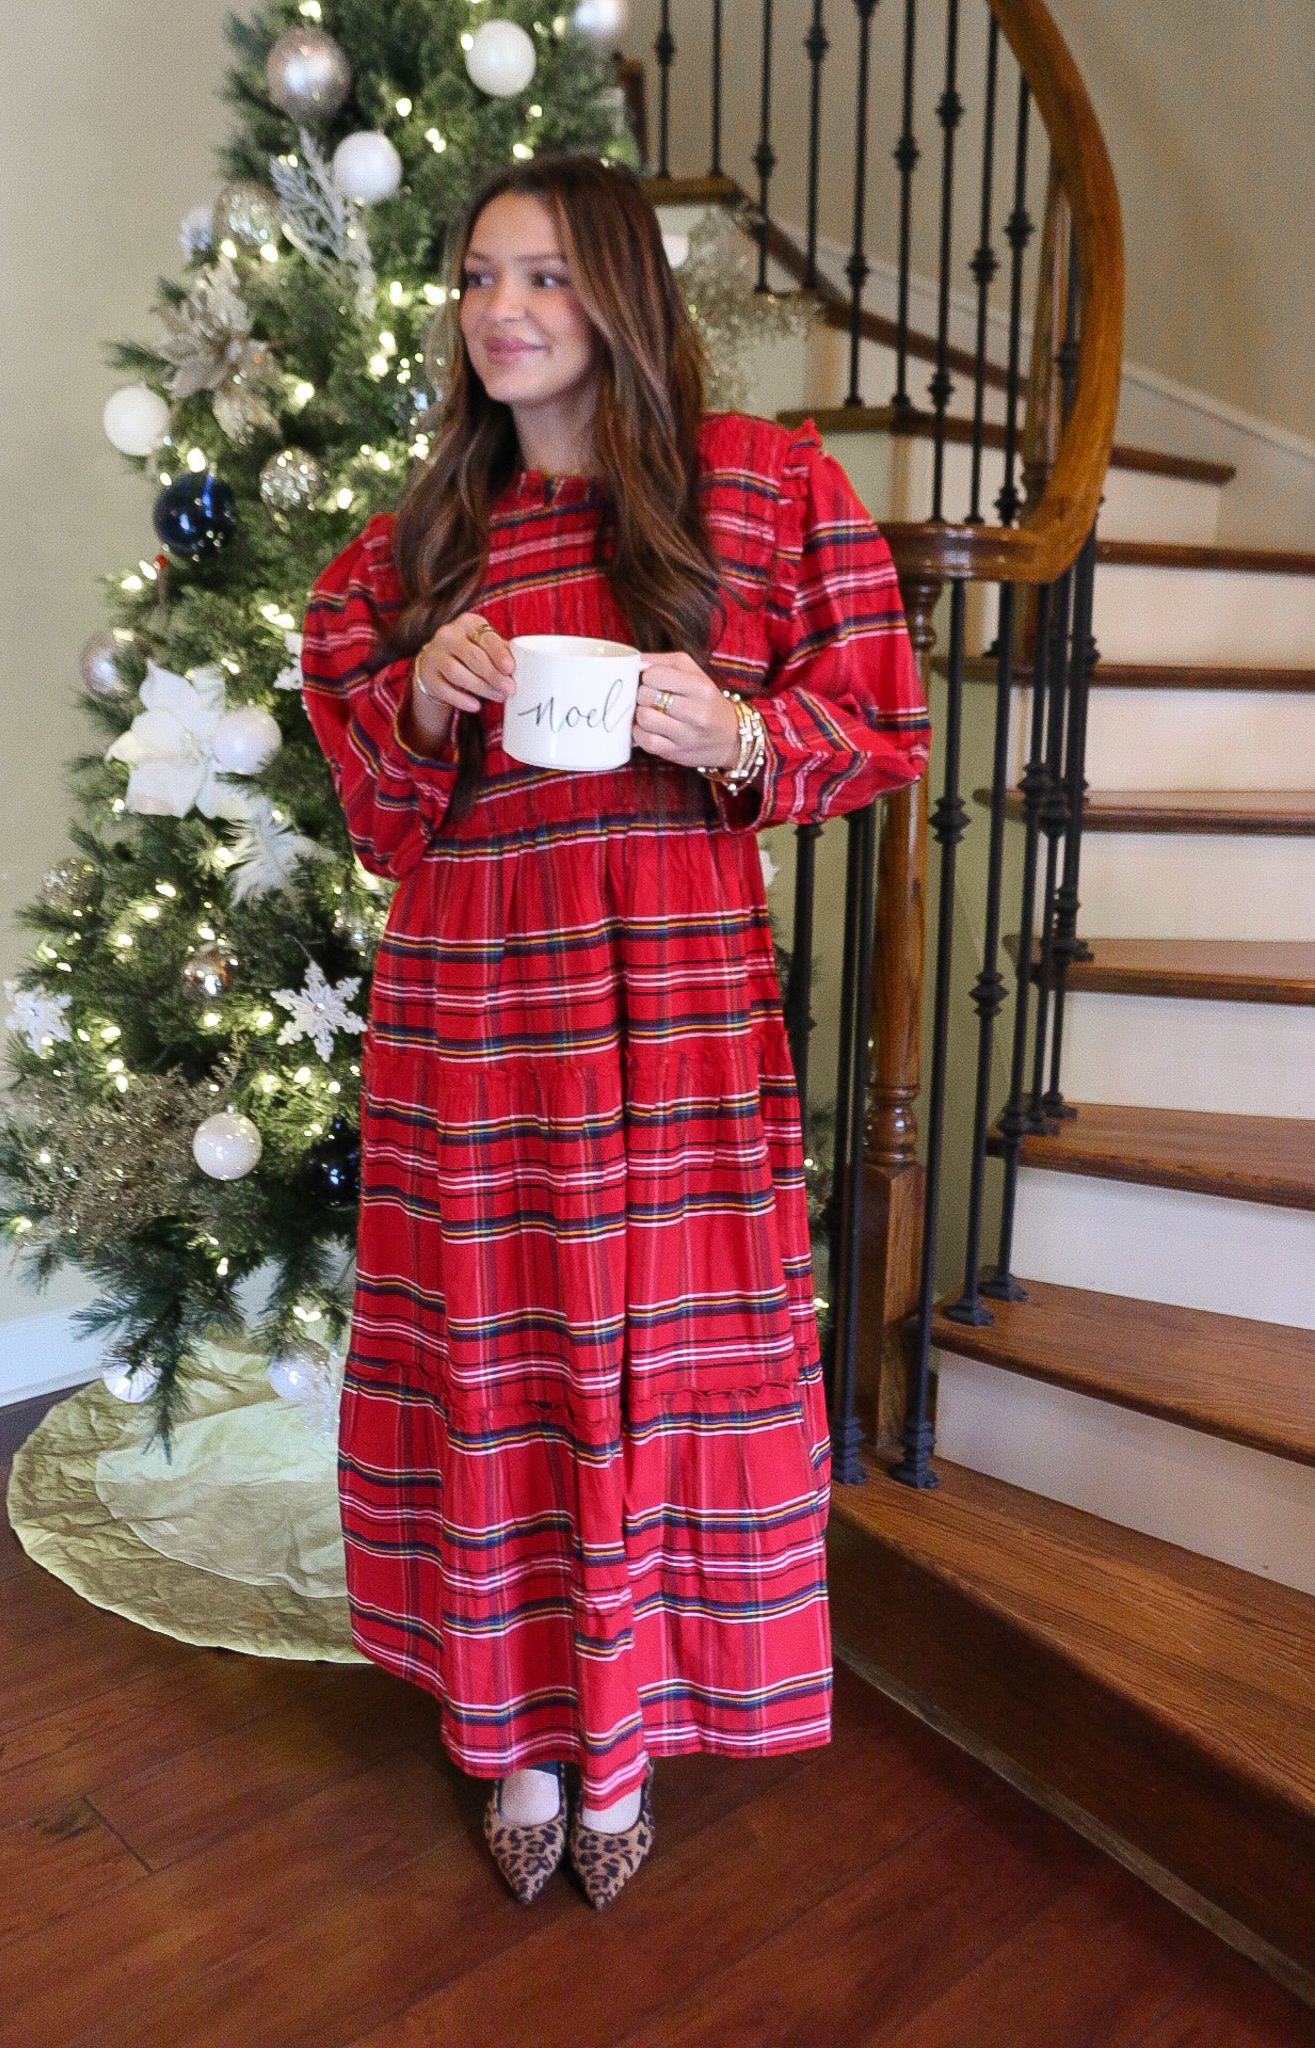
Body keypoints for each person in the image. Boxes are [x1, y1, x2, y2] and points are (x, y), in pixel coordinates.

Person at [300, 152, 929, 1911]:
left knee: (653, 1357)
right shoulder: (410, 545)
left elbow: (880, 721)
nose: (500, 311)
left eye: (546, 276)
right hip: (472, 1011)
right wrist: (418, 704)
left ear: (623, 296)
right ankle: (508, 1736)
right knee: (493, 1359)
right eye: (478, 278)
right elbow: (378, 809)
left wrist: (737, 735)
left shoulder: (765, 490)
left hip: (672, 1010)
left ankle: (627, 1736)